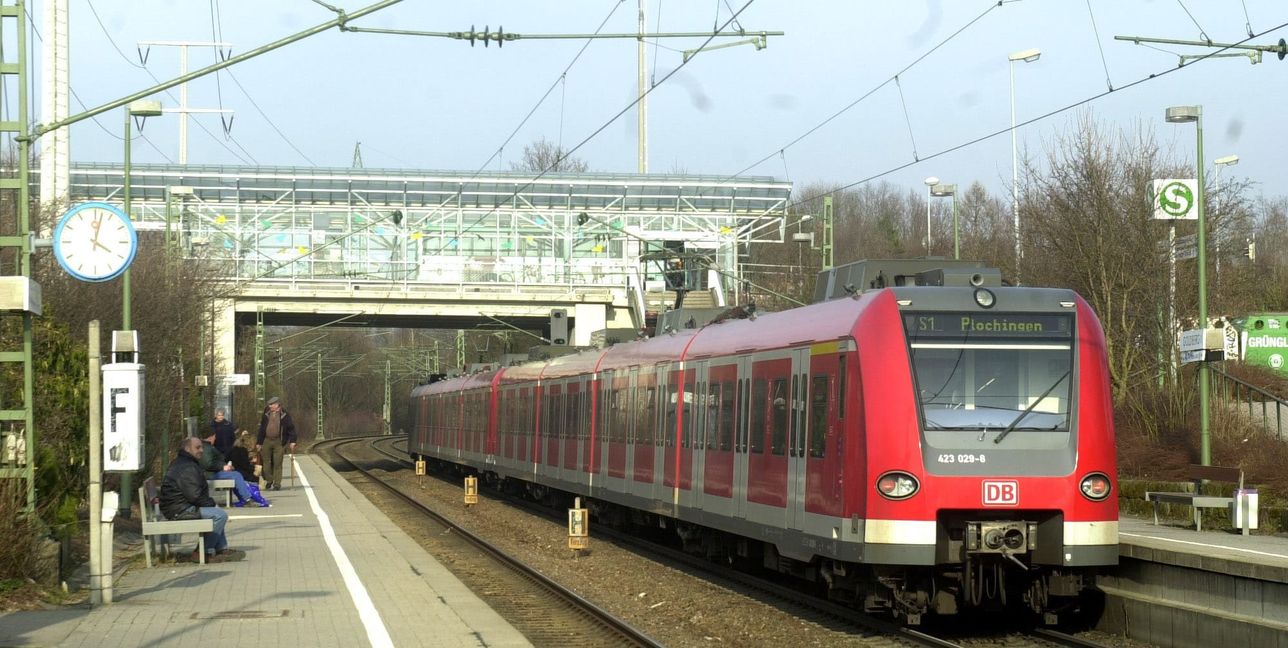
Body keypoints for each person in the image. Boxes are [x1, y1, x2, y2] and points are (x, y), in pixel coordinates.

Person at [158, 437, 244, 563]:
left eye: (201, 447)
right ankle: (201, 552)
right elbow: (195, 495)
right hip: (179, 510)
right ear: (187, 449)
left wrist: (212, 505)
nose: (201, 450)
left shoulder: (186, 462)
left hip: (180, 506)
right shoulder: (186, 467)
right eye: (197, 447)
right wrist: (212, 505)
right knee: (219, 515)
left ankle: (221, 549)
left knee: (217, 513)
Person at [198, 428, 259, 507]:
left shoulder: (207, 446)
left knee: (235, 474)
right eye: (215, 436)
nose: (216, 438)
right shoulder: (206, 448)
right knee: (236, 475)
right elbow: (207, 464)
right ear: (212, 436)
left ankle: (244, 496)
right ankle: (247, 498)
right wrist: (223, 467)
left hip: (211, 472)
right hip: (210, 474)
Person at [257, 396, 296, 491]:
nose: (270, 406)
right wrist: (259, 442)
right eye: (269, 405)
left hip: (279, 441)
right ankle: (269, 480)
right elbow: (262, 428)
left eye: (272, 405)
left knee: (278, 463)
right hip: (266, 440)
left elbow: (291, 428)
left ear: (277, 404)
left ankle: (277, 484)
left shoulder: (285, 415)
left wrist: (292, 441)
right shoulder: (266, 413)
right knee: (266, 462)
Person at [229, 430, 270, 507]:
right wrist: (253, 468)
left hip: (236, 470)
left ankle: (242, 498)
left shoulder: (233, 450)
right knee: (253, 477)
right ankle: (255, 497)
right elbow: (245, 465)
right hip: (242, 472)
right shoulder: (243, 451)